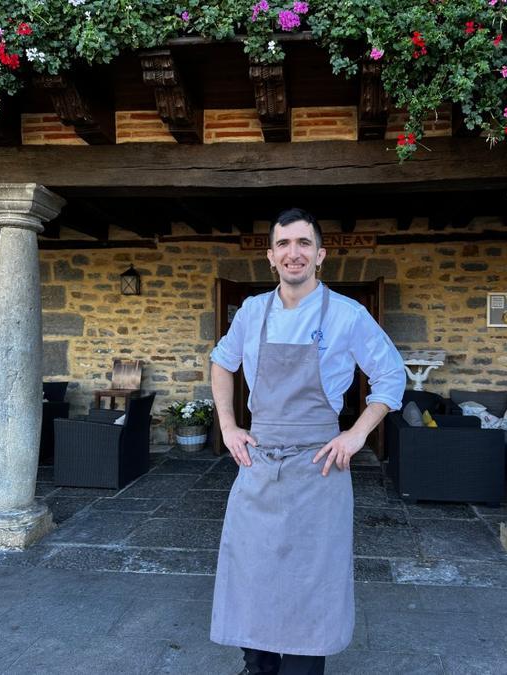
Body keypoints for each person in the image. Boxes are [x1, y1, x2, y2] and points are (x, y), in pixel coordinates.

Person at [208, 208, 404, 675]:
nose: (292, 253)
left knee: (309, 580)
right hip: (259, 465)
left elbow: (391, 374)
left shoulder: (346, 314)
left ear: (320, 255)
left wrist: (357, 434)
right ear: (270, 257)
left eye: (302, 244)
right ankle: (257, 665)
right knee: (252, 572)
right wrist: (229, 426)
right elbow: (221, 363)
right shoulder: (252, 311)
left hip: (318, 469)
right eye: (283, 245)